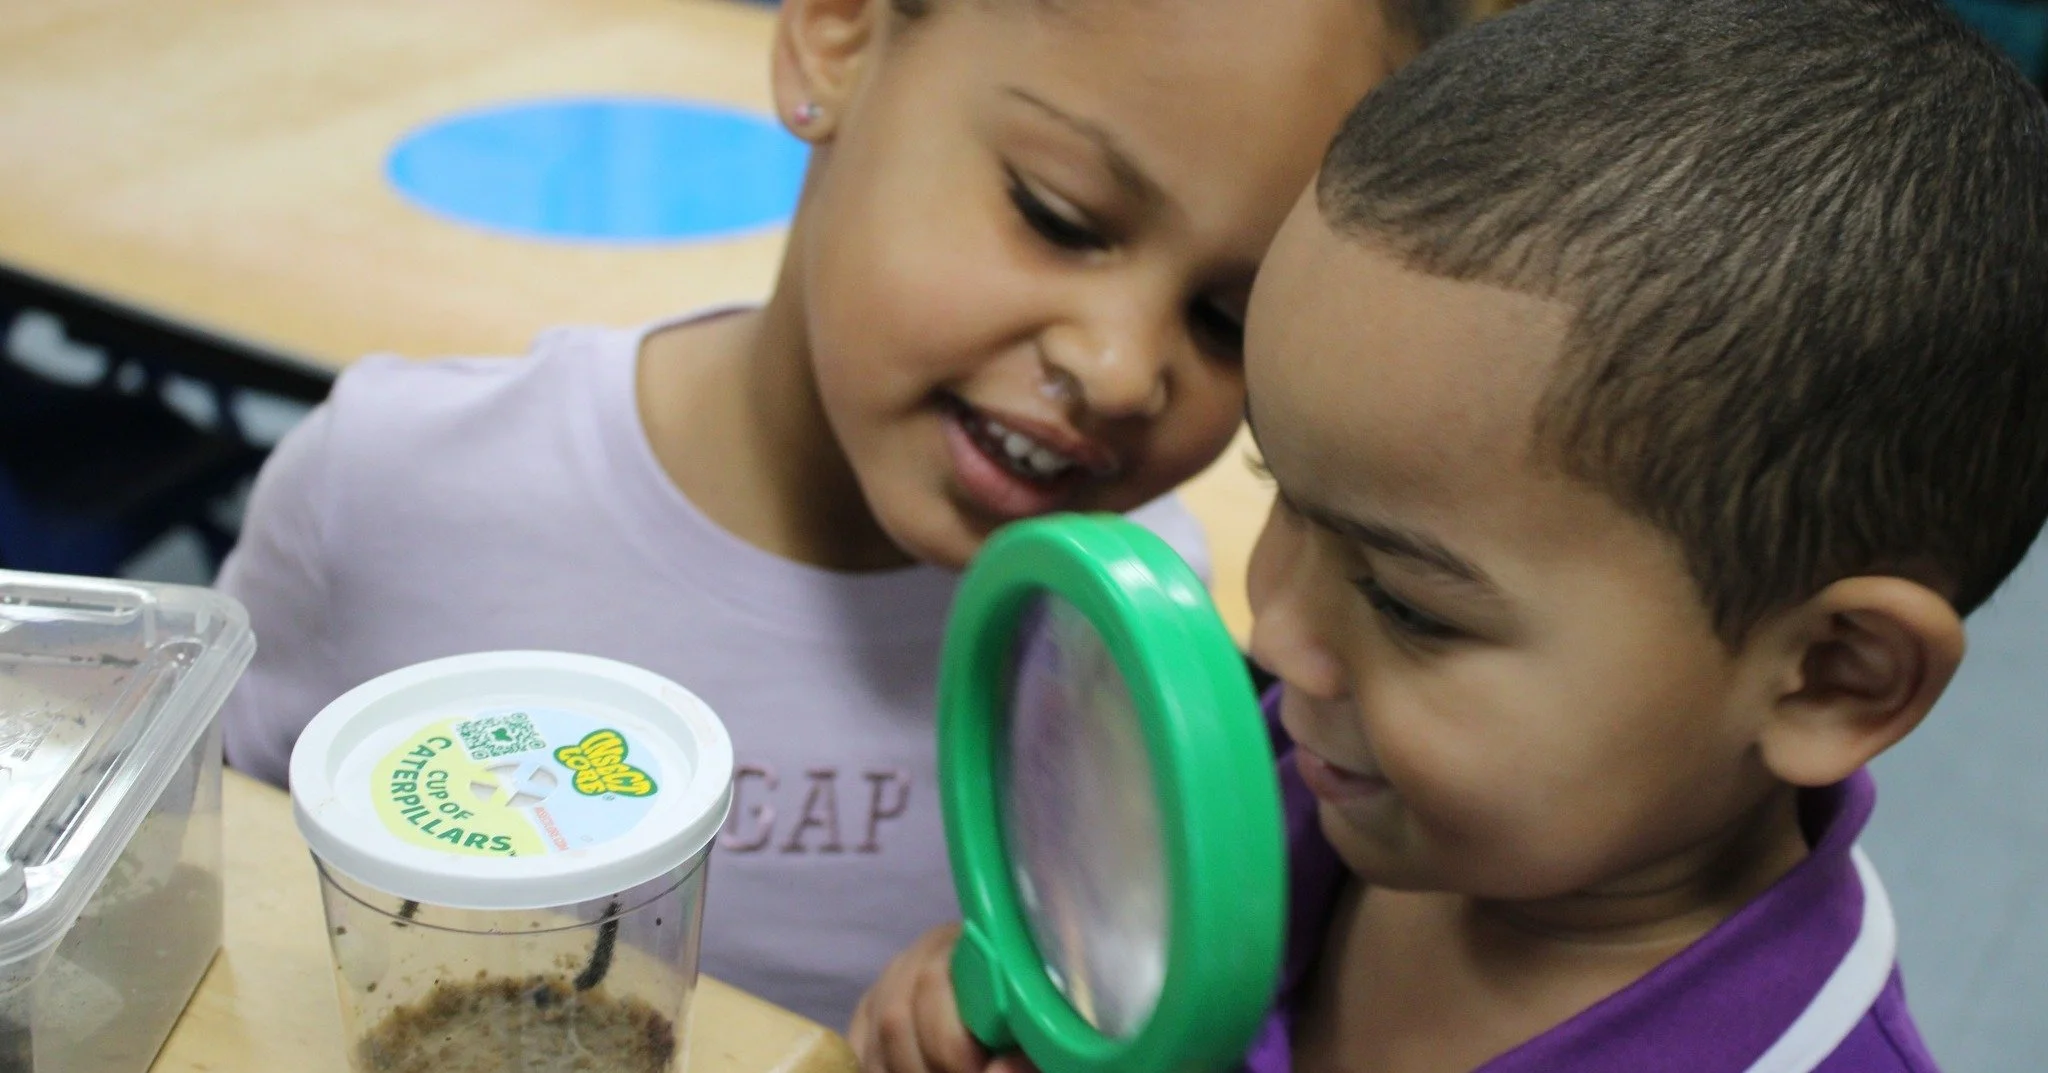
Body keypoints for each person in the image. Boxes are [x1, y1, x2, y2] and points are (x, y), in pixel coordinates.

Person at [216, 0, 1467, 1027]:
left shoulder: (1128, 636)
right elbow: (204, 899)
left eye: (1225, 321)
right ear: (839, 35)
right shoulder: (393, 485)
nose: (1121, 365)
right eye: (1058, 214)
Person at [848, 0, 2048, 1068]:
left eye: (1411, 603)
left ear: (1831, 675)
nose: (1275, 631)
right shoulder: (1290, 769)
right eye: (1279, 492)